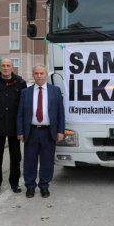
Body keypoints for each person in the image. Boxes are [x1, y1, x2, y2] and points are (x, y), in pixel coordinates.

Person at [16, 64, 65, 198]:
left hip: (48, 132)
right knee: (29, 161)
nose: (39, 76)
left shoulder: (55, 91)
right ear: (33, 75)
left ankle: (44, 186)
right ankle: (30, 187)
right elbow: (20, 113)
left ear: (46, 75)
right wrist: (20, 131)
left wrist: (60, 131)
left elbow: (61, 113)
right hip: (31, 132)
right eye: (36, 73)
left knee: (47, 161)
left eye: (41, 73)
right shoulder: (26, 92)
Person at [0, 58, 27, 195]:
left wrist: (23, 127)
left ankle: (14, 182)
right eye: (3, 66)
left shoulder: (20, 83)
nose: (6, 68)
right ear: (0, 67)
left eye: (8, 65)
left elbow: (24, 107)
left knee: (16, 156)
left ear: (12, 68)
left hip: (14, 126)